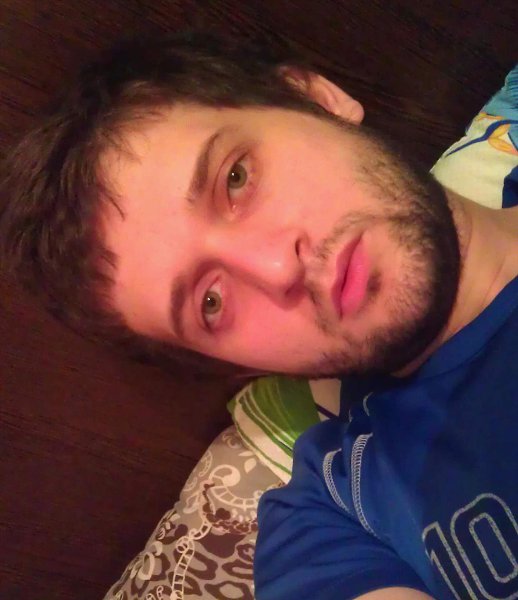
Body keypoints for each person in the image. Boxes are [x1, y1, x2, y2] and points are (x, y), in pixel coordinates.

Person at [0, 32, 517, 599]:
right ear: (238, 367)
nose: (276, 267)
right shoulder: (330, 525)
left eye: (236, 178)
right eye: (211, 303)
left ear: (316, 98)